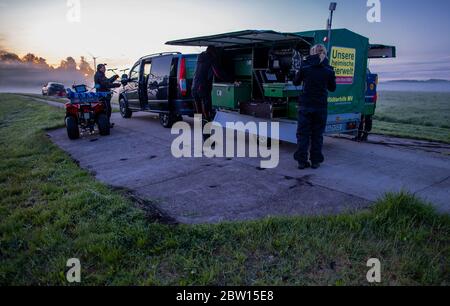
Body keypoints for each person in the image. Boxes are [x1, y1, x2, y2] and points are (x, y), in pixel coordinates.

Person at [293, 44, 336, 170]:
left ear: (312, 52)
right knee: (317, 135)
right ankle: (315, 161)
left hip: (305, 105)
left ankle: (302, 161)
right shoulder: (329, 69)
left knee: (303, 134)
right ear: (324, 52)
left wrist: (298, 74)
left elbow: (296, 82)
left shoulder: (305, 66)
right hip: (320, 106)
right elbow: (332, 88)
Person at [191, 46, 232, 128]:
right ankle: (207, 135)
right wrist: (230, 79)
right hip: (203, 88)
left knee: (199, 112)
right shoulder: (211, 59)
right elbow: (217, 73)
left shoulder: (200, 57)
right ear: (213, 52)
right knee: (206, 112)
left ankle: (203, 133)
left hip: (194, 87)